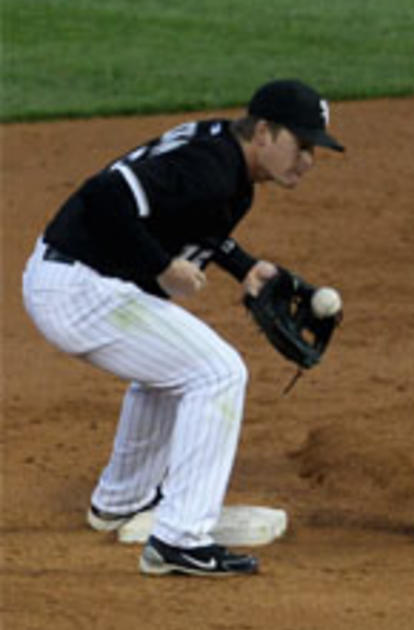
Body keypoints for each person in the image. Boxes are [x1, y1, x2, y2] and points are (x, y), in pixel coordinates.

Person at [22, 79, 345, 575]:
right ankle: (180, 538)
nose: (308, 160)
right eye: (301, 145)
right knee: (218, 373)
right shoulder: (211, 168)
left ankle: (121, 501)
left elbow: (190, 218)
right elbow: (105, 194)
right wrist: (162, 267)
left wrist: (245, 268)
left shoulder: (225, 157)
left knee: (171, 370)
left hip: (75, 278)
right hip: (78, 288)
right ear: (264, 132)